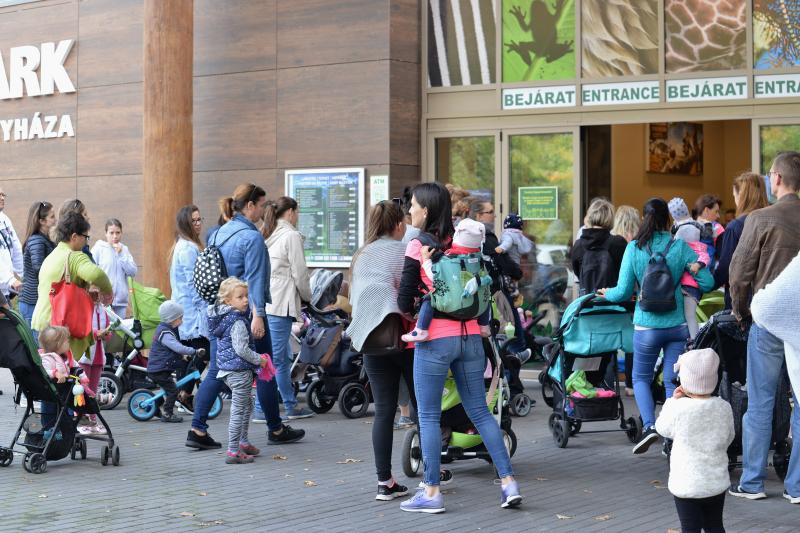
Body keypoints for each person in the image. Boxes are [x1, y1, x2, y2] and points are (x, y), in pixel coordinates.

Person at [397, 182, 521, 513]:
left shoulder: (417, 245)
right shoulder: (464, 242)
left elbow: (403, 299)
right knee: (480, 411)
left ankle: (432, 492)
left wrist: (423, 309)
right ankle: (509, 484)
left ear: (425, 210)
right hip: (472, 338)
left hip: (435, 339)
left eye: (412, 205)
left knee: (428, 415)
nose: (409, 210)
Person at [598, 198, 713, 455]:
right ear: (668, 220)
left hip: (646, 327)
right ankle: (673, 435)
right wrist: (696, 268)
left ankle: (650, 427)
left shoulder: (634, 248)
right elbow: (706, 281)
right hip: (677, 326)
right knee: (673, 380)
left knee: (640, 377)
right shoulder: (680, 246)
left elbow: (622, 292)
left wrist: (606, 293)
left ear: (644, 218)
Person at [208, 183, 304, 445]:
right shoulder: (251, 237)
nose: (264, 210)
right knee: (265, 366)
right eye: (262, 205)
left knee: (217, 368)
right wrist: (258, 314)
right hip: (247, 312)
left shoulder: (218, 233)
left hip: (223, 310)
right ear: (249, 206)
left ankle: (197, 428)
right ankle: (274, 427)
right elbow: (256, 279)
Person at [728, 151, 800, 502]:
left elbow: (739, 274)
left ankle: (753, 481)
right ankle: (797, 486)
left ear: (776, 179)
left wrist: (742, 315)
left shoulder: (760, 218)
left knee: (760, 401)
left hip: (769, 320)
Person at [348, 200, 416, 500]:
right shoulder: (403, 251)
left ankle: (384, 481)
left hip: (371, 339)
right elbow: (410, 294)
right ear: (398, 225)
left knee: (384, 411)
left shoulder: (361, 254)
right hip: (404, 337)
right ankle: (432, 474)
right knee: (421, 407)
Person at [656, 348, 735, 533]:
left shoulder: (680, 408)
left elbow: (662, 428)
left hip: (687, 482)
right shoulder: (724, 407)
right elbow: (729, 437)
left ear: (685, 380)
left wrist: (672, 401)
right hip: (715, 481)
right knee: (715, 525)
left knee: (690, 528)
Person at [31, 213, 113, 357]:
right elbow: (96, 274)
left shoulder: (53, 256)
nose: (86, 242)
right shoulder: (74, 256)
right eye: (85, 237)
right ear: (74, 236)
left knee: (52, 373)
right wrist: (108, 292)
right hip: (60, 330)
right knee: (67, 375)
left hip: (43, 325)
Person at [401, 217, 492, 343]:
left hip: (453, 305)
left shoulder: (450, 259)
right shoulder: (478, 259)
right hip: (474, 307)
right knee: (485, 295)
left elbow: (436, 278)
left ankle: (421, 330)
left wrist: (426, 260)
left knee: (430, 297)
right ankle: (484, 326)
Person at [262, 197, 313, 420]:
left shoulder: (268, 233)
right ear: (291, 212)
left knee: (277, 357)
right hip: (282, 303)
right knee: (276, 360)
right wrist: (308, 296)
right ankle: (269, 408)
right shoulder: (290, 235)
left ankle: (286, 404)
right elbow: (300, 273)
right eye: (297, 212)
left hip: (268, 302)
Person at [208, 277, 267, 464]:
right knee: (239, 410)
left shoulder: (223, 318)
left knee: (247, 405)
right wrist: (260, 360)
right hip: (239, 370)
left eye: (246, 296)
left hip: (228, 369)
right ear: (228, 301)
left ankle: (243, 442)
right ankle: (233, 451)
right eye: (240, 297)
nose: (245, 300)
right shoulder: (237, 321)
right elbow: (241, 349)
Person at [469, 199, 530, 363]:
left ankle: (510, 376)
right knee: (508, 333)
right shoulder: (485, 237)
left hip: (479, 293)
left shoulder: (467, 236)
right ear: (479, 215)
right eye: (490, 212)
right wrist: (516, 272)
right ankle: (511, 374)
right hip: (493, 292)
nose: (494, 216)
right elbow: (501, 260)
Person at [168, 205, 210, 408]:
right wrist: (204, 305)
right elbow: (194, 283)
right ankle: (183, 394)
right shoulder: (187, 248)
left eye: (200, 219)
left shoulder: (185, 245)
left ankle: (182, 394)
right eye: (194, 221)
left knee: (192, 353)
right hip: (191, 311)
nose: (198, 224)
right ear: (185, 223)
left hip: (189, 310)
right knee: (202, 351)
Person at [713, 172, 769, 309]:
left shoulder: (735, 227)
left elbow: (726, 268)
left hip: (742, 303)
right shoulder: (771, 222)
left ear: (742, 196)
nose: (735, 199)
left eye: (735, 195)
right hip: (769, 298)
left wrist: (705, 284)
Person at [148, 300, 203, 424]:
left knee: (166, 390)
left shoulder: (166, 329)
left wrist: (182, 357)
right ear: (172, 319)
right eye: (180, 318)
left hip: (160, 367)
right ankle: (167, 414)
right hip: (159, 369)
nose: (182, 321)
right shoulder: (165, 332)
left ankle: (154, 408)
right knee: (173, 391)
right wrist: (193, 351)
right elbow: (177, 347)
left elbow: (170, 350)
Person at [668, 198, 710, 339]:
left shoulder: (687, 249)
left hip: (689, 286)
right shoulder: (699, 248)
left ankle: (694, 341)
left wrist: (698, 265)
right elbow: (706, 257)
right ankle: (690, 340)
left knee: (689, 315)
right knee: (687, 315)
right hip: (690, 286)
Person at [611, 204, 641, 396]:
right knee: (632, 342)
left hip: (609, 298)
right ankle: (630, 383)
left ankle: (608, 382)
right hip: (628, 299)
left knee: (609, 341)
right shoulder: (629, 246)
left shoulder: (609, 241)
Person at [570, 199, 627, 296]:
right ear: (610, 218)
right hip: (613, 304)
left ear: (589, 217)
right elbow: (625, 274)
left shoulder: (578, 245)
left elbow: (578, 273)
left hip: (587, 305)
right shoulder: (618, 243)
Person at [77, 289, 114, 434]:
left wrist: (106, 334)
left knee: (92, 389)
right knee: (82, 389)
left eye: (99, 293)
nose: (97, 297)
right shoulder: (82, 308)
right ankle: (80, 419)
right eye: (94, 294)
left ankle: (92, 419)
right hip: (84, 355)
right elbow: (79, 329)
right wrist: (95, 333)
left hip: (98, 355)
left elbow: (108, 331)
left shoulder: (102, 310)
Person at [19, 201, 56, 328]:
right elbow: (39, 269)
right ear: (41, 221)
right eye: (52, 217)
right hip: (32, 302)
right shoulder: (36, 240)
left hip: (38, 301)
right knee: (38, 347)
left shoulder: (46, 239)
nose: (55, 220)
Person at [91, 218, 137, 318]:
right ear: (106, 233)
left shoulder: (124, 249)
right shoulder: (99, 248)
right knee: (105, 330)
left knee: (120, 332)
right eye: (111, 233)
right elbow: (91, 270)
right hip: (103, 301)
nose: (115, 236)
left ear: (121, 233)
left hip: (120, 302)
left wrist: (121, 254)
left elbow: (132, 271)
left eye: (118, 232)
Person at [0, 186, 23, 300]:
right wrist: (10, 280)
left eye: (3, 195)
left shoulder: (5, 220)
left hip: (5, 292)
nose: (2, 198)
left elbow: (17, 250)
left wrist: (25, 275)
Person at [693, 194, 725, 270]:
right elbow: (722, 257)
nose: (718, 216)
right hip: (711, 273)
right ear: (706, 210)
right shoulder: (718, 228)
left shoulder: (688, 227)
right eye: (716, 211)